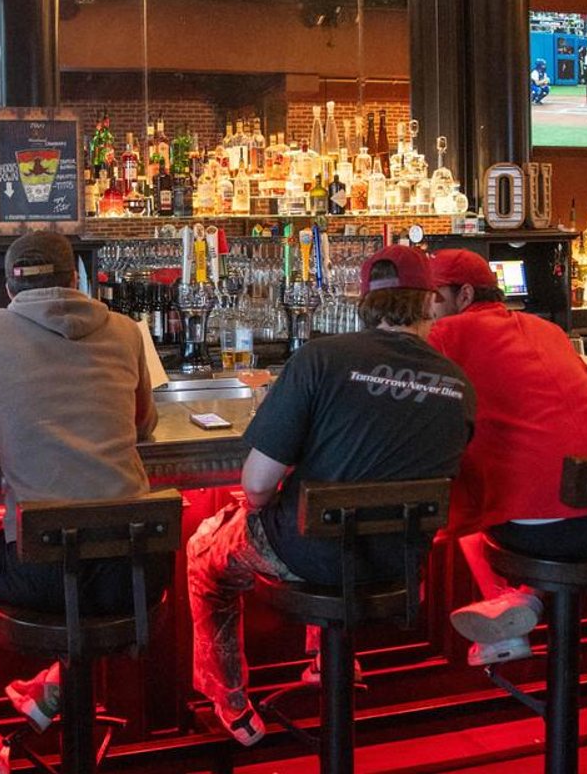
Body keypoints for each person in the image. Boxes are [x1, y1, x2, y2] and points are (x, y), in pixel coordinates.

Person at [187, 245, 475, 746]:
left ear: (362, 301)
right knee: (337, 522)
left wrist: (254, 510)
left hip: (311, 554)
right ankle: (330, 660)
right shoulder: (459, 382)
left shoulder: (322, 358)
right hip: (399, 565)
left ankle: (230, 702)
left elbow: (256, 485)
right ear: (430, 303)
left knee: (204, 552)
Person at [0, 231, 165, 774]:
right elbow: (144, 424)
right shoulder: (127, 331)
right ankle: (54, 687)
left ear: (8, 284)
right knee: (85, 555)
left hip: (43, 566)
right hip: (137, 570)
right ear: (76, 278)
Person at [427, 249, 587, 665]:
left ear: (464, 294)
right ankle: (523, 602)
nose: (427, 308)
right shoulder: (547, 329)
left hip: (546, 532)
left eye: (434, 297)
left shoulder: (445, 335)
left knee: (461, 501)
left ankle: (504, 610)